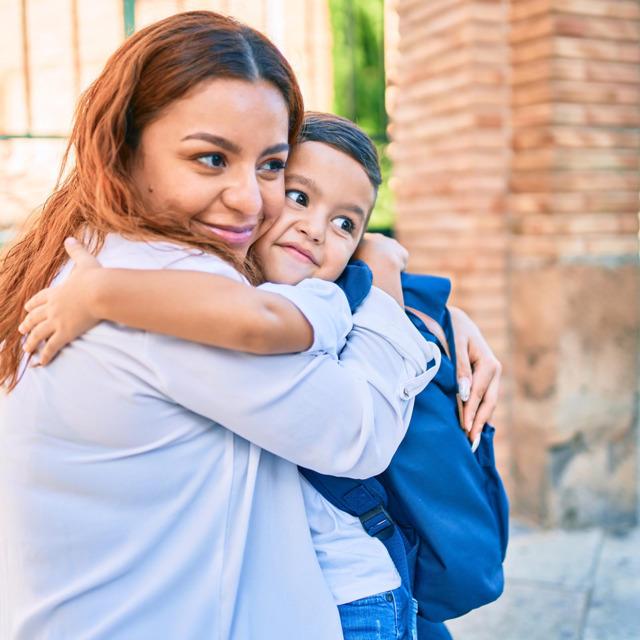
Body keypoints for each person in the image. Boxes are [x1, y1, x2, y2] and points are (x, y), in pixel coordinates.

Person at [0, 12, 440, 640]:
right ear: (123, 149)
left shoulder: (91, 250)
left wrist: (431, 307)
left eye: (270, 165)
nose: (250, 200)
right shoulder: (161, 284)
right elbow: (357, 431)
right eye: (211, 159)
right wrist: (386, 286)